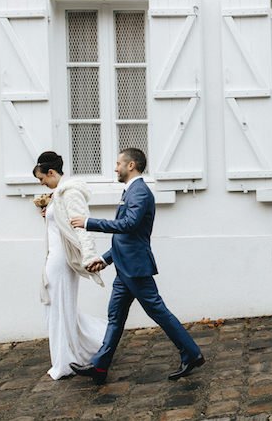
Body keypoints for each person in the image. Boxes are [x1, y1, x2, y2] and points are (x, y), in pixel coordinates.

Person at [69, 148, 204, 385]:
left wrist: (89, 223)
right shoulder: (131, 191)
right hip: (125, 268)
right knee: (115, 317)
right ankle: (100, 367)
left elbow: (129, 225)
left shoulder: (140, 192)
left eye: (118, 163)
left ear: (131, 165)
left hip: (136, 268)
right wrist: (105, 259)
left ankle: (192, 354)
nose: (115, 168)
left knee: (158, 312)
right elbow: (126, 238)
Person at [32, 151, 106, 380]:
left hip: (61, 260)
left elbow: (80, 225)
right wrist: (48, 213)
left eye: (42, 178)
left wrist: (90, 256)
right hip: (54, 256)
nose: (42, 183)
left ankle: (65, 361)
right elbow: (61, 224)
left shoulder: (70, 191)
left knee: (59, 308)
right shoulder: (57, 194)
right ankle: (85, 347)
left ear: (51, 172)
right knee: (59, 308)